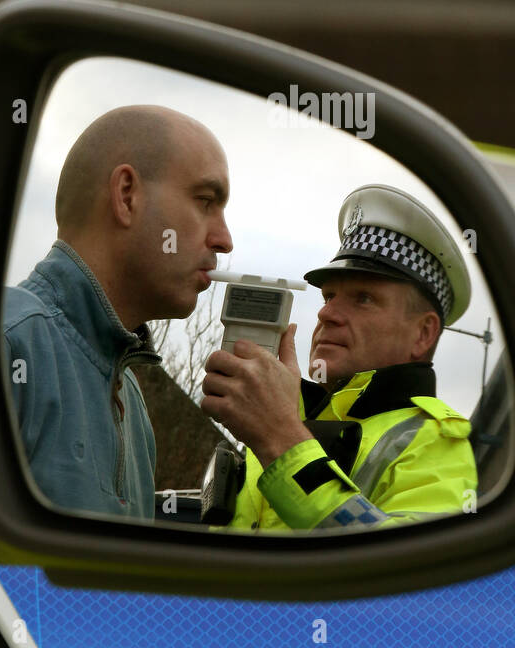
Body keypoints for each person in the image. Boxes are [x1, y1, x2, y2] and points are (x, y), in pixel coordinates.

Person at [200, 184, 477, 531]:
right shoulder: (286, 416)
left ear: (422, 334)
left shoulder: (436, 443)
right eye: (328, 296)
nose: (327, 314)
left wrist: (281, 441)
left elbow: (402, 570)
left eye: (363, 298)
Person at [3, 105, 232, 519]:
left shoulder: (133, 404)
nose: (224, 239)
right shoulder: (9, 342)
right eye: (205, 201)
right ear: (127, 196)